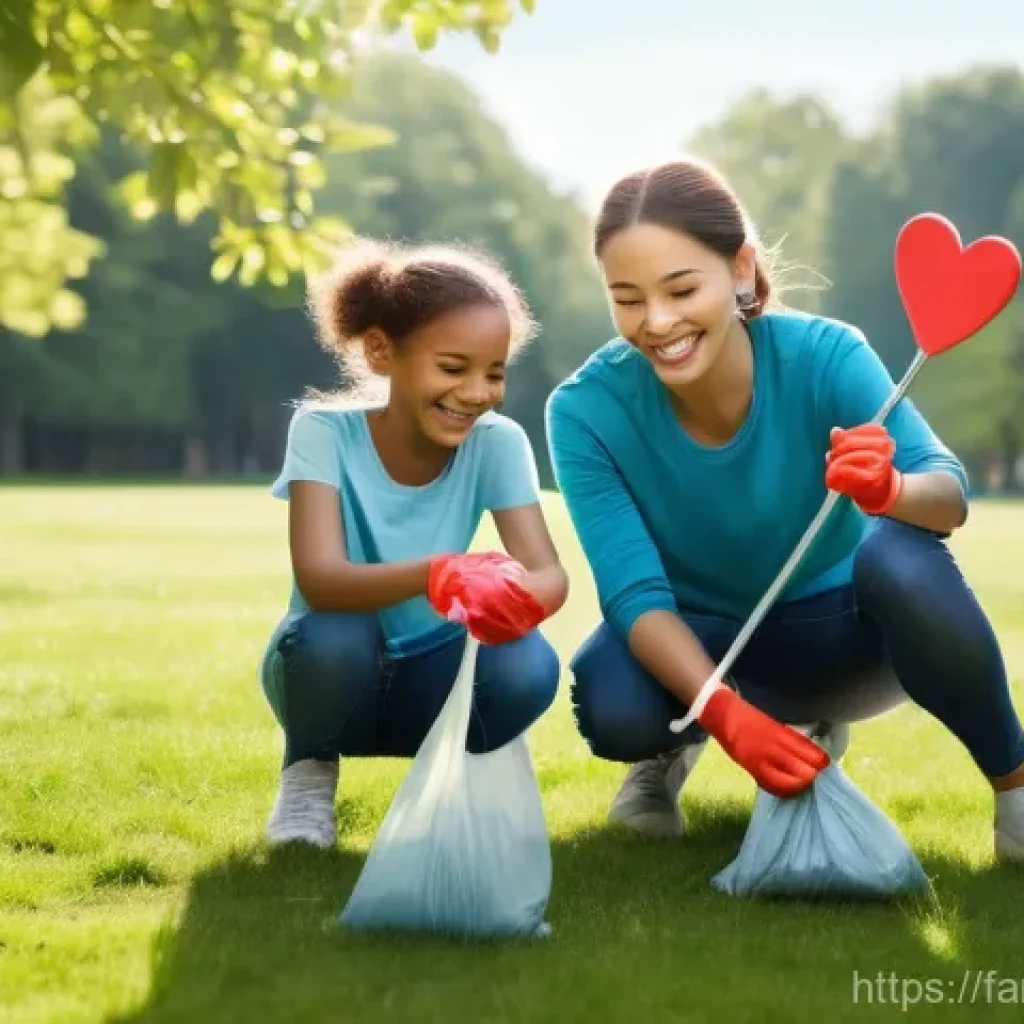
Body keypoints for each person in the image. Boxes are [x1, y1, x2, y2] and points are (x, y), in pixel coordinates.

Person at [545, 158, 1024, 863]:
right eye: (628, 299)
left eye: (682, 289)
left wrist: (889, 491)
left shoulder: (826, 355)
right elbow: (633, 595)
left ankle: (1015, 787)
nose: (658, 322)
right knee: (613, 699)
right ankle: (672, 746)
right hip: (707, 643)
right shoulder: (583, 410)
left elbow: (947, 497)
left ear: (740, 269)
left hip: (843, 641)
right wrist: (725, 715)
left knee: (901, 555)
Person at [261, 237, 568, 849]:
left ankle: (458, 781)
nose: (477, 392)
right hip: (329, 670)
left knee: (528, 663)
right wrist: (437, 573)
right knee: (331, 635)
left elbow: (549, 576)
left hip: (433, 665)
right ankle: (309, 771)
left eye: (495, 372)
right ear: (381, 351)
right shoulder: (322, 432)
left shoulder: (498, 442)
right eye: (453, 369)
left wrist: (509, 594)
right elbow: (320, 578)